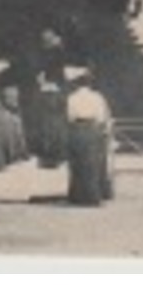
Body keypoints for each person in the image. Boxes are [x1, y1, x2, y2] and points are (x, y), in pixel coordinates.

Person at [64, 67, 113, 206]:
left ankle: (77, 195)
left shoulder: (71, 98)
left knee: (77, 163)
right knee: (93, 164)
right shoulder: (97, 97)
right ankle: (92, 196)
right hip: (93, 129)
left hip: (77, 129)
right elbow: (101, 116)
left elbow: (70, 116)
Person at [21, 27, 70, 168]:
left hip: (55, 91)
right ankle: (50, 156)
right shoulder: (45, 54)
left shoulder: (59, 54)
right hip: (48, 92)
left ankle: (55, 155)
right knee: (47, 124)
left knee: (54, 124)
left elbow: (59, 74)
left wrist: (48, 81)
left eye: (49, 38)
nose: (46, 41)